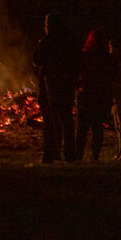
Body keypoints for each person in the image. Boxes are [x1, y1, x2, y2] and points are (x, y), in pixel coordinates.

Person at [33, 13, 80, 164]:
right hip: (66, 86)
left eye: (47, 24)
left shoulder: (48, 41)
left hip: (50, 86)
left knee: (50, 122)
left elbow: (36, 59)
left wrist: (41, 46)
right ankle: (69, 154)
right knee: (66, 121)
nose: (45, 27)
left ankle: (50, 154)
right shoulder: (71, 40)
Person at [76, 30, 117, 161]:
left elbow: (77, 72)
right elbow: (114, 75)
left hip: (87, 95)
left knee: (82, 128)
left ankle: (79, 155)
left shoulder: (85, 56)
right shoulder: (107, 58)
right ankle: (95, 155)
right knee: (97, 128)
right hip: (101, 96)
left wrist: (79, 84)